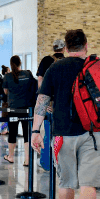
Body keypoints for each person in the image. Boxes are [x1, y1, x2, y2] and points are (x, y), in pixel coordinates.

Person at [30, 29, 100, 199]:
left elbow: (43, 101)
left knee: (66, 181)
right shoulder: (96, 67)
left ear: (65, 48)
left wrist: (36, 130)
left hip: (63, 134)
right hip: (94, 133)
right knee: (89, 183)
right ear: (87, 46)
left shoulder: (55, 68)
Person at [36, 39, 66, 171]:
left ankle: (46, 163)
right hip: (63, 105)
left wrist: (45, 100)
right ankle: (61, 163)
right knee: (62, 134)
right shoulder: (67, 62)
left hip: (49, 104)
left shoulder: (46, 60)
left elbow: (40, 80)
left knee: (48, 133)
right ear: (64, 49)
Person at [3, 55, 37, 166]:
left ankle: (11, 157)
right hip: (27, 108)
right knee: (27, 133)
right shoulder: (27, 74)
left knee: (12, 132)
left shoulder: (7, 76)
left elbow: (5, 92)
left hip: (13, 108)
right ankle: (27, 160)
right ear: (20, 63)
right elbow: (33, 87)